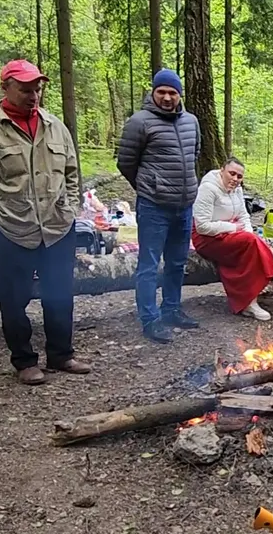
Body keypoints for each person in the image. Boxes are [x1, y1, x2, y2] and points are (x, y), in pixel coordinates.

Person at [0, 60, 91, 385]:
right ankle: (24, 361)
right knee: (13, 300)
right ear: (5, 88)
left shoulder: (55, 126)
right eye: (26, 90)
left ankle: (61, 354)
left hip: (57, 227)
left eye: (37, 89)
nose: (33, 96)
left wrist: (71, 208)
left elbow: (72, 173)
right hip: (12, 229)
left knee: (60, 295)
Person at [118, 68, 200, 344]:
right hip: (154, 207)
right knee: (149, 265)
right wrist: (149, 186)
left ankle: (172, 309)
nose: (167, 97)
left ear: (179, 95)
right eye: (161, 92)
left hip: (184, 206)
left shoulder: (191, 122)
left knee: (177, 262)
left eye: (172, 93)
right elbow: (126, 162)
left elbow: (194, 154)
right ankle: (150, 319)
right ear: (153, 93)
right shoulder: (139, 122)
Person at [192, 157, 273, 321]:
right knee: (250, 243)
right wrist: (232, 228)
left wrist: (249, 233)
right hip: (206, 239)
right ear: (222, 171)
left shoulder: (237, 189)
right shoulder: (208, 188)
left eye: (239, 176)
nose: (235, 179)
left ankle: (249, 304)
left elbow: (244, 216)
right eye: (232, 174)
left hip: (230, 234)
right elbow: (202, 226)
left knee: (250, 247)